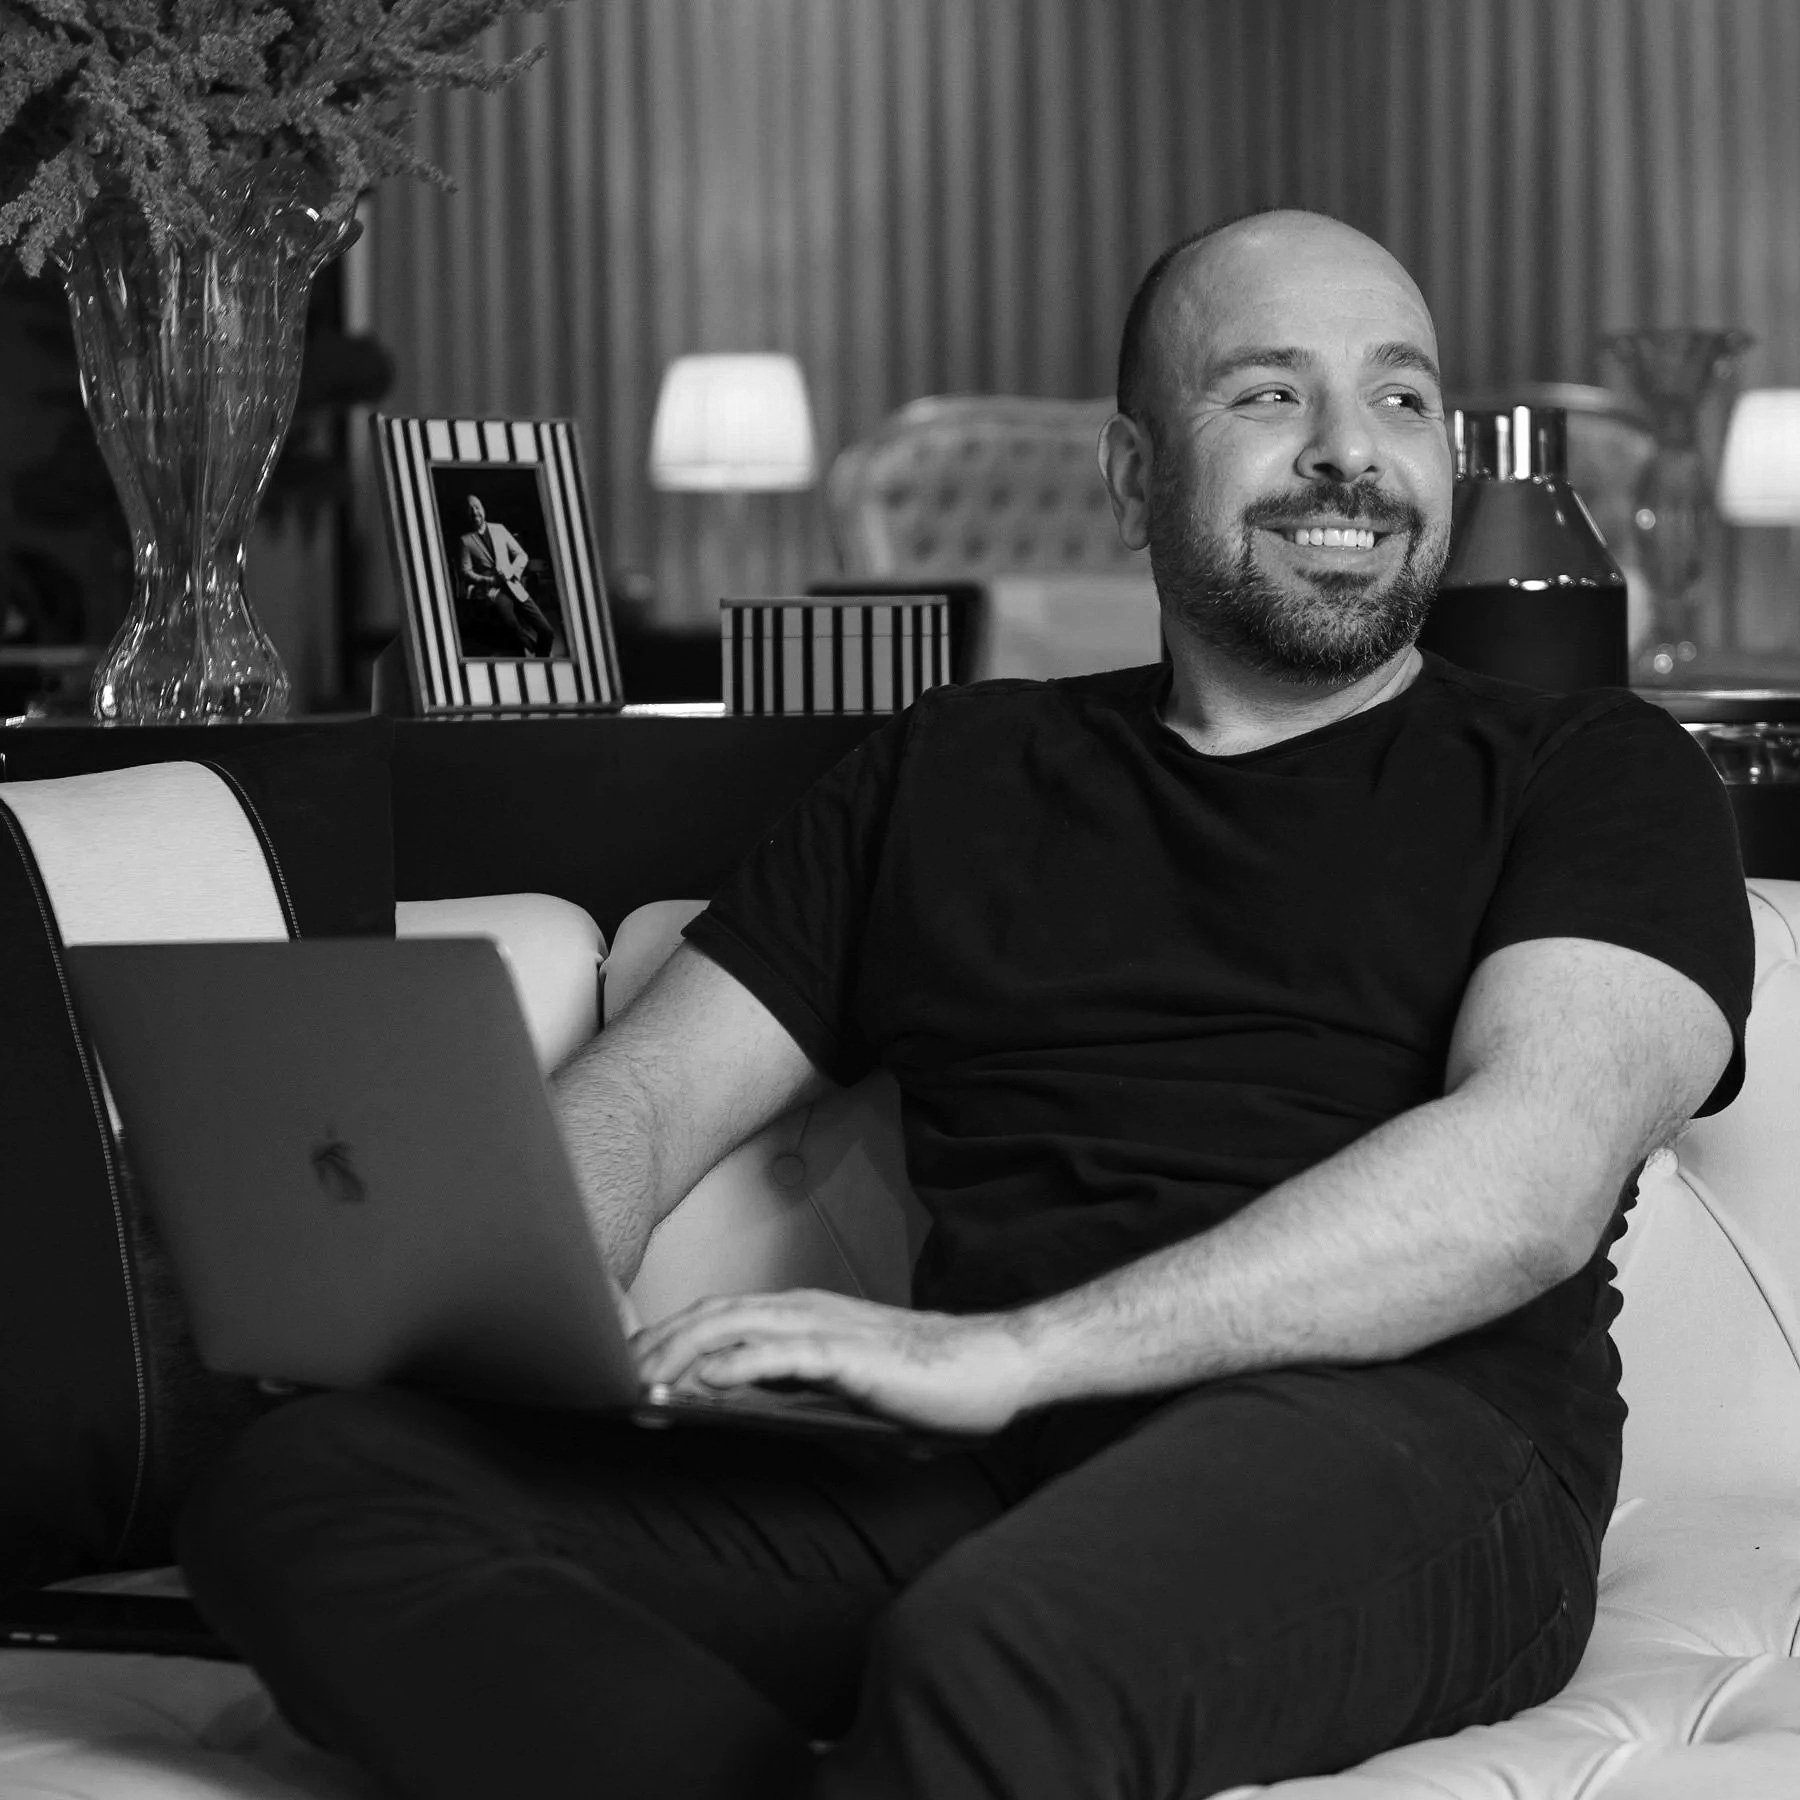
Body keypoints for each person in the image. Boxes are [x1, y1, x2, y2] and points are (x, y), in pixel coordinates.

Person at [177, 211, 1753, 1799]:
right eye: (1271, 394)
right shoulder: (960, 767)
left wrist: (1018, 1351)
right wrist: (535, 1306)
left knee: (998, 1655)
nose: (1351, 450)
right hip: (983, 1468)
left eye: (1401, 397)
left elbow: (1526, 1187)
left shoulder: (1590, 773)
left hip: (1414, 1449)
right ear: (1132, 475)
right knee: (309, 1484)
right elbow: (649, 1096)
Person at [456, 493, 557, 658]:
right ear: (467, 514)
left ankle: (540, 659)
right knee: (511, 626)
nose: (474, 512)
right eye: (470, 509)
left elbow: (522, 556)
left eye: (477, 507)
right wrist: (487, 580)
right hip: (493, 591)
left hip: (514, 585)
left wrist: (511, 571)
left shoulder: (499, 529)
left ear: (483, 509)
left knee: (547, 632)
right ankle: (531, 649)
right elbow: (465, 571)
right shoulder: (465, 540)